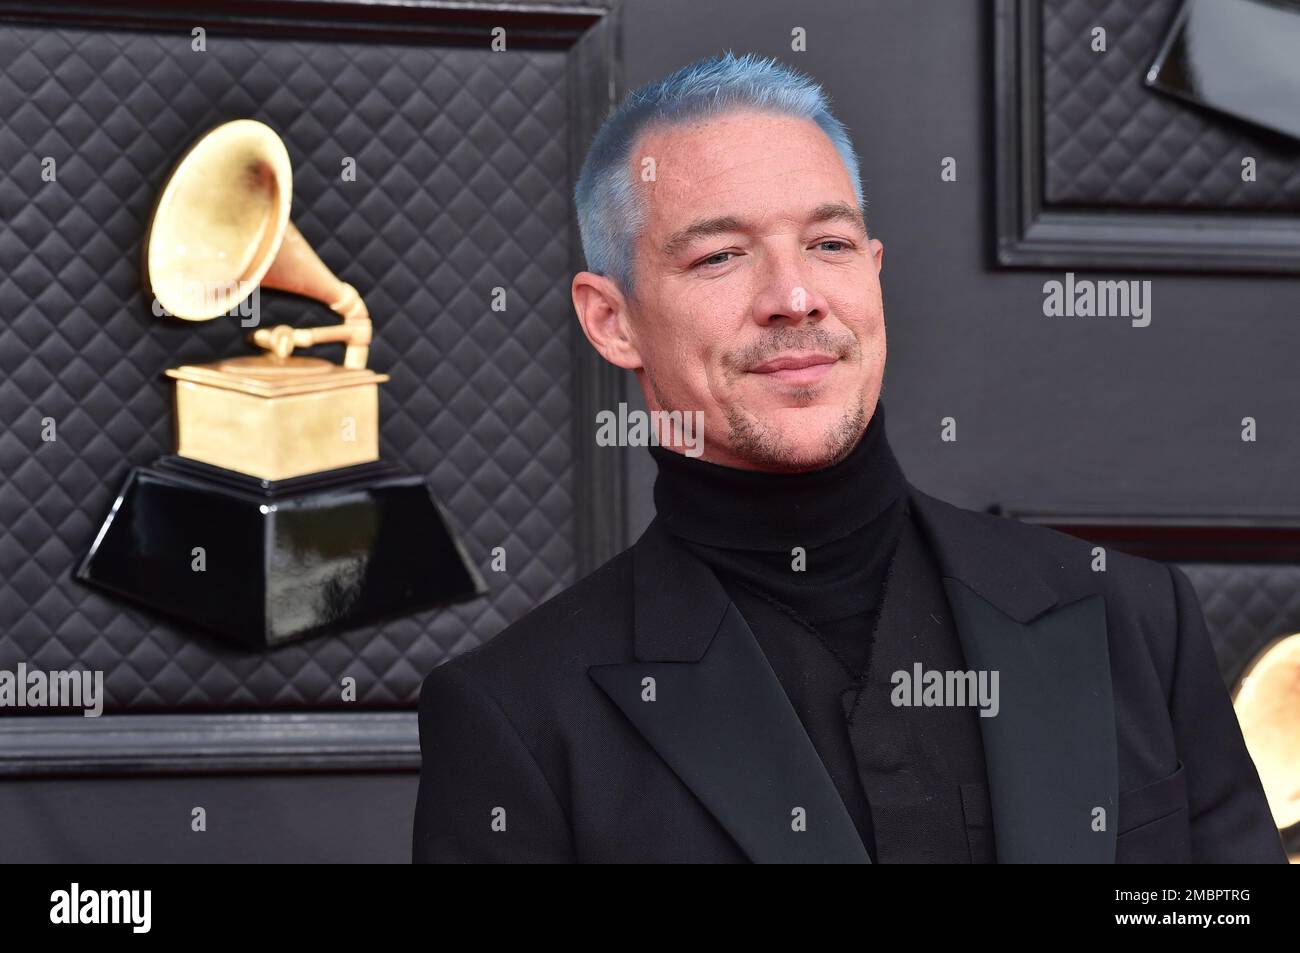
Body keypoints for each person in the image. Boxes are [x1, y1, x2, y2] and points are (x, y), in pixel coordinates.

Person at [412, 52, 1285, 863]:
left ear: (872, 273)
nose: (794, 298)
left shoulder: (1133, 620)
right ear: (613, 320)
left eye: (828, 245)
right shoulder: (516, 718)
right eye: (721, 255)